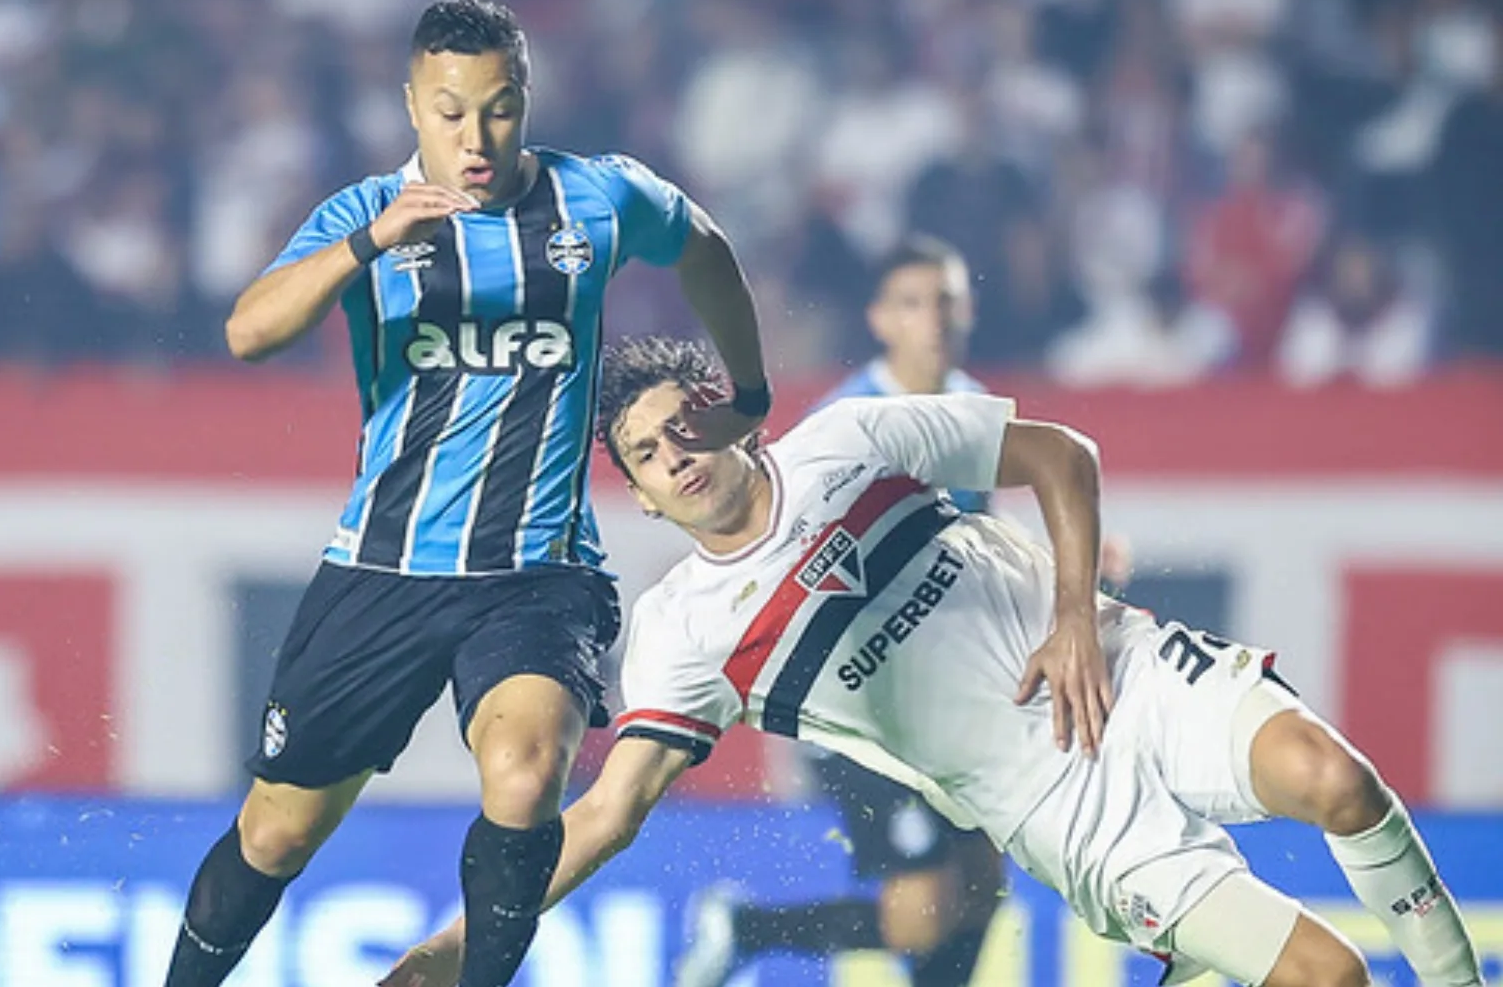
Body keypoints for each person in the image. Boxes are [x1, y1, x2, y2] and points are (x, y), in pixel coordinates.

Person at [385, 336, 1486, 987]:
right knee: (1331, 977)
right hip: (1057, 812)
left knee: (1340, 782)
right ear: (636, 489)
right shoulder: (683, 633)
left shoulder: (851, 441)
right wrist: (462, 942)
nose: (676, 458)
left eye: (685, 428)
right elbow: (610, 812)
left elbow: (1063, 454)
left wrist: (1069, 617)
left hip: (1122, 674)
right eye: (646, 454)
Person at [164, 0, 770, 987]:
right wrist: (369, 247)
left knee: (529, 776)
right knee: (274, 837)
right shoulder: (362, 214)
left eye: (497, 110)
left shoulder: (599, 199)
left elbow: (702, 247)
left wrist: (749, 392)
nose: (475, 137)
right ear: (412, 106)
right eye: (450, 113)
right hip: (382, 568)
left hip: (538, 573)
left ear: (525, 101)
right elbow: (247, 332)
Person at [674, 236, 1004, 987]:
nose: (936, 320)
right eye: (915, 304)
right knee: (919, 911)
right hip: (859, 704)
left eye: (948, 301)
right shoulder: (845, 425)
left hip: (945, 701)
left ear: (970, 309)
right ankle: (750, 928)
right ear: (881, 319)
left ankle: (748, 929)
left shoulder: (979, 408)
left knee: (983, 880)